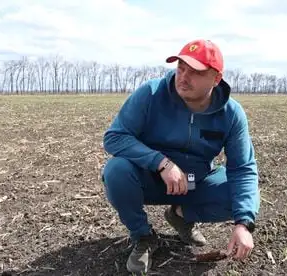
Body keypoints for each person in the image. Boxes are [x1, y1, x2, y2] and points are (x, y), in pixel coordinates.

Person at [101, 39, 260, 274]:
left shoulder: (231, 114)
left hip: (194, 183)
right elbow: (114, 137)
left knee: (242, 192)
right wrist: (161, 163)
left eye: (195, 72)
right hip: (150, 179)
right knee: (116, 171)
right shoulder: (151, 94)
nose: (183, 77)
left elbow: (243, 168)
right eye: (181, 68)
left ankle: (180, 215)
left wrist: (244, 224)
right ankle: (143, 236)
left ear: (216, 79)